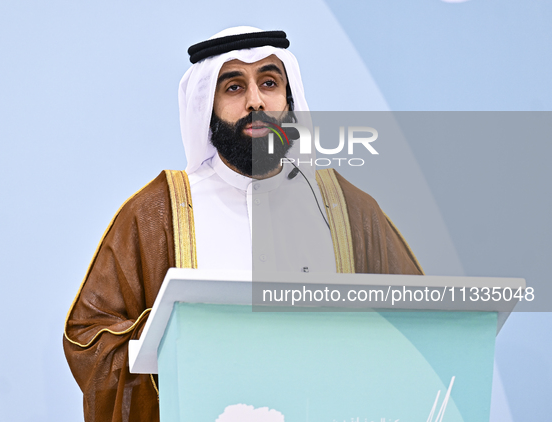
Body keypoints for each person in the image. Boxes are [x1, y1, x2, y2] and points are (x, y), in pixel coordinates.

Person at [63, 26, 423, 422]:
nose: (256, 102)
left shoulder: (344, 208)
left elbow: (420, 324)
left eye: (269, 83)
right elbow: (90, 337)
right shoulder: (158, 212)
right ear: (207, 106)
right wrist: (178, 333)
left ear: (287, 99)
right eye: (233, 87)